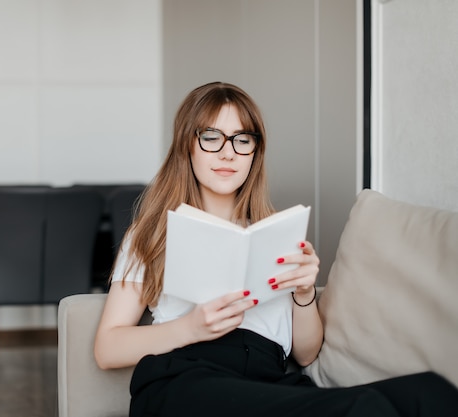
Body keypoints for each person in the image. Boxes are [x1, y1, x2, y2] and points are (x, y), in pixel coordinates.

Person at [94, 81, 458, 417]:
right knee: (365, 407)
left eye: (242, 139)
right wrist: (191, 327)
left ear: (255, 151)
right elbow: (107, 348)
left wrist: (302, 294)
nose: (228, 153)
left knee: (430, 393)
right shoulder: (155, 232)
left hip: (268, 384)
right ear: (187, 145)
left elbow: (306, 353)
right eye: (211, 137)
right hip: (185, 380)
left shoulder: (277, 236)